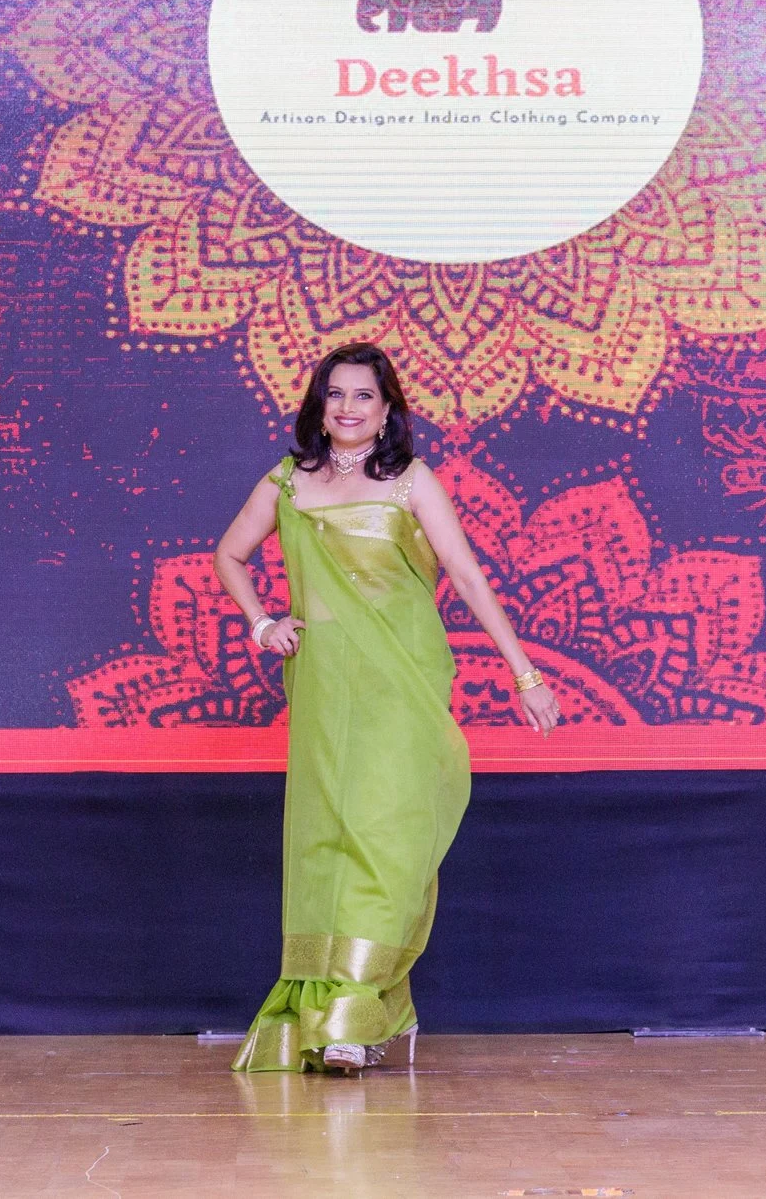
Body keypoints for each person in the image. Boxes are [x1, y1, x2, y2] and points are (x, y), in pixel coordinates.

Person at [214, 341, 562, 1074]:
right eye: (335, 394)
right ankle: (369, 1012)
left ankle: (352, 1012)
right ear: (319, 404)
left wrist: (524, 672)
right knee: (327, 842)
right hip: (322, 687)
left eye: (363, 396)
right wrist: (260, 622)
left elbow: (465, 574)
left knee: (385, 840)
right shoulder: (287, 481)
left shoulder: (410, 482)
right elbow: (230, 554)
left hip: (399, 687)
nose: (347, 407)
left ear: (386, 408)